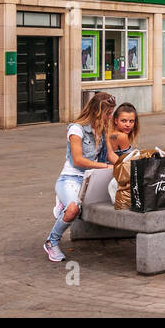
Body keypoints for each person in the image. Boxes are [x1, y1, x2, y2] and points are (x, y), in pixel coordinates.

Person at [44, 91, 116, 262]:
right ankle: (51, 242)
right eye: (108, 113)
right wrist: (106, 166)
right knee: (74, 209)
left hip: (93, 178)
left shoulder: (103, 128)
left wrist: (125, 164)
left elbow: (111, 155)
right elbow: (78, 160)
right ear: (98, 112)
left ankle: (66, 203)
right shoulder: (76, 129)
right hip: (71, 178)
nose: (110, 117)